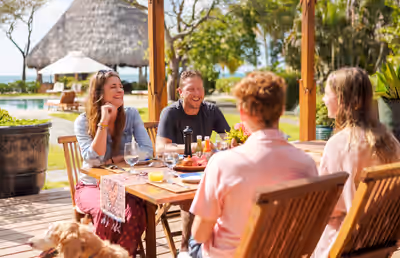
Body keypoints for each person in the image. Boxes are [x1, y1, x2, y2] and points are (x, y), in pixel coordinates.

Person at [189, 71, 318, 258]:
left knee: (191, 243)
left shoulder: (223, 163)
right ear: (282, 110)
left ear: (242, 112)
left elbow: (200, 234)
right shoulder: (306, 164)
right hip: (284, 254)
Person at [312, 67, 400, 258]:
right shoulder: (390, 141)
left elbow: (325, 210)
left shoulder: (339, 144)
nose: (323, 100)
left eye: (327, 94)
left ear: (342, 99)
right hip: (380, 243)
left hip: (345, 245)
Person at [74, 70, 153, 256]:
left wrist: (113, 160)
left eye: (121, 86)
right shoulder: (83, 121)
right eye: (113, 87)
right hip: (91, 185)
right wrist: (103, 121)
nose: (120, 90)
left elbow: (148, 151)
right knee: (107, 212)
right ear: (99, 93)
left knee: (134, 214)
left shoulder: (131, 115)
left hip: (125, 186)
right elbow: (92, 160)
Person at [156, 70, 231, 258]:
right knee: (195, 192)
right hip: (177, 173)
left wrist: (228, 143)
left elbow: (228, 140)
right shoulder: (171, 113)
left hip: (206, 169)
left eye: (200, 89)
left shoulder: (211, 110)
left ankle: (216, 242)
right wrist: (195, 146)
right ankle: (185, 248)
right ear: (180, 91)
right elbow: (160, 149)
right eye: (191, 89)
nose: (197, 94)